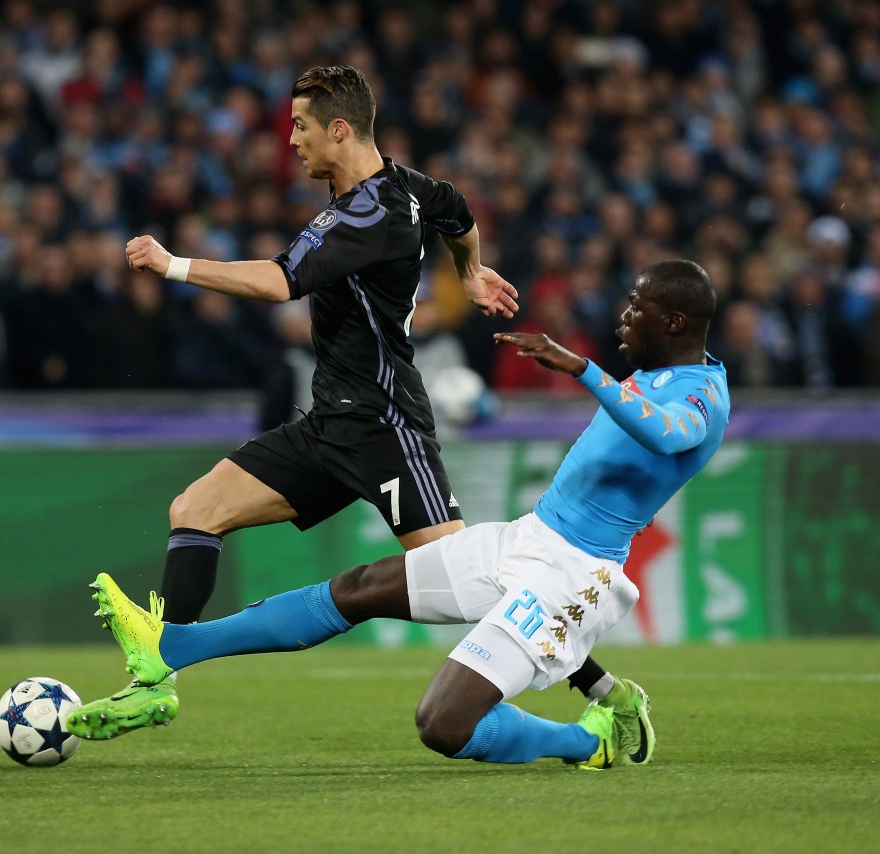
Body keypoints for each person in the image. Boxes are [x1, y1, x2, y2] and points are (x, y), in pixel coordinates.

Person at [70, 65, 642, 756]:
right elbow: (458, 212)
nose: (291, 140)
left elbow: (281, 280)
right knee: (196, 509)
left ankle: (608, 698)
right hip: (328, 424)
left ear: (339, 129)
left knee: (477, 582)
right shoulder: (409, 192)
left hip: (386, 429)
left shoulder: (365, 217)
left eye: (301, 126)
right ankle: (158, 676)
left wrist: (176, 266)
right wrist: (469, 271)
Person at [71, 259, 727, 767]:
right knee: (361, 587)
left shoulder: (703, 396)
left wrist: (580, 368)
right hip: (529, 537)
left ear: (673, 322)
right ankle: (172, 649)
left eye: (636, 308)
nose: (623, 317)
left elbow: (668, 435)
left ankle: (592, 745)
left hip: (574, 574)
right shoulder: (657, 369)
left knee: (443, 724)